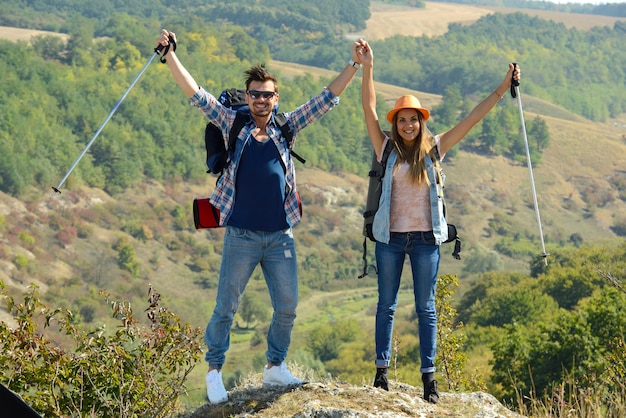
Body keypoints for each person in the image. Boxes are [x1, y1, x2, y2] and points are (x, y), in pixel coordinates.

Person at [156, 29, 366, 405]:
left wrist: (353, 63)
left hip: (280, 236)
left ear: (275, 97)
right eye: (254, 94)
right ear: (248, 97)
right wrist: (170, 55)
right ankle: (214, 372)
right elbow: (196, 95)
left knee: (287, 306)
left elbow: (326, 99)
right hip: (241, 236)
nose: (261, 100)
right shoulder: (231, 124)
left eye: (267, 94)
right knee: (226, 306)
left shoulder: (287, 126)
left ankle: (275, 367)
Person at [355, 40, 520, 403]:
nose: (409, 124)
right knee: (386, 305)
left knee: (426, 308)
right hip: (390, 239)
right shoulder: (384, 148)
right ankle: (381, 373)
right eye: (402, 119)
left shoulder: (435, 148)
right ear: (395, 124)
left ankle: (429, 379)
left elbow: (473, 118)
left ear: (421, 121)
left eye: (414, 118)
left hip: (427, 240)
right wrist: (368, 66)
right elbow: (367, 107)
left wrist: (501, 88)